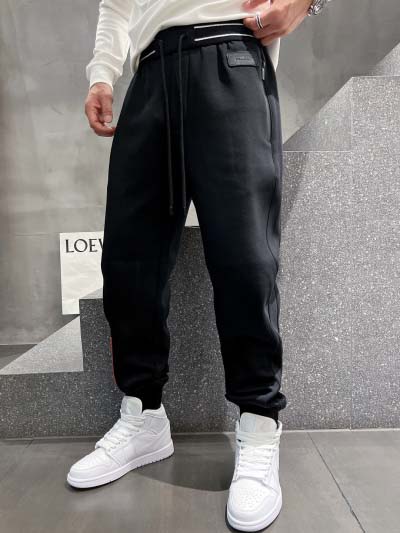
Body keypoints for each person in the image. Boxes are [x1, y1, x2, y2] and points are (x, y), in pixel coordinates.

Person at [67, 0, 331, 530]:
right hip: (150, 75)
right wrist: (102, 74)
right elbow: (116, 4)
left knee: (244, 258)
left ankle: (258, 425)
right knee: (129, 262)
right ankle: (144, 415)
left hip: (230, 54)